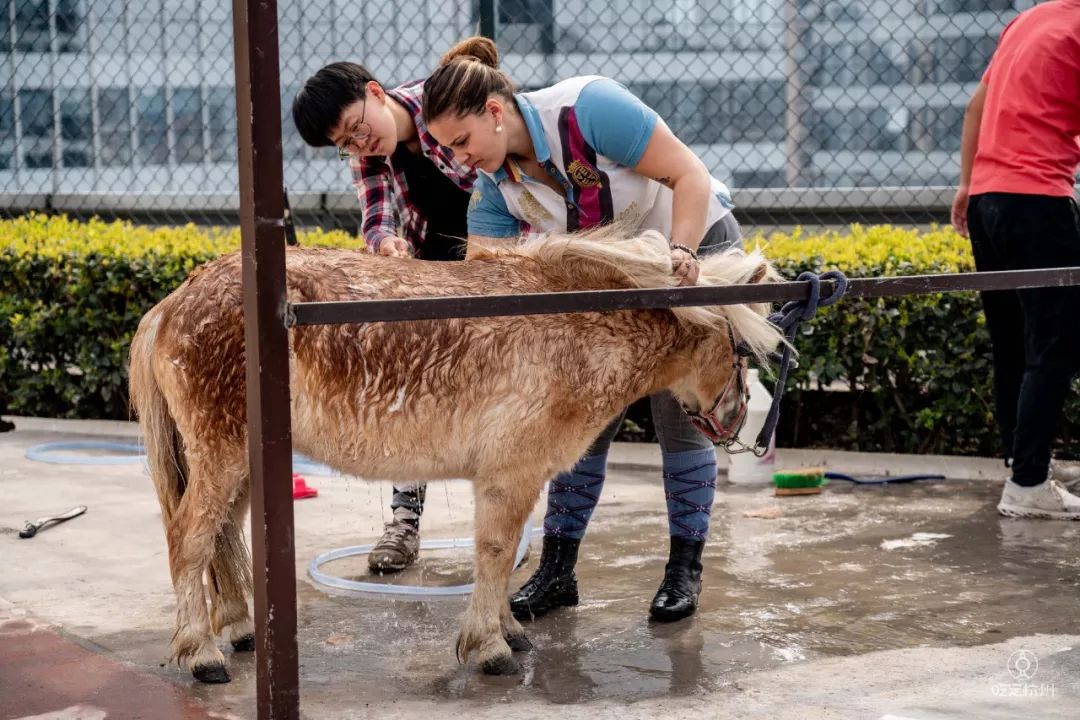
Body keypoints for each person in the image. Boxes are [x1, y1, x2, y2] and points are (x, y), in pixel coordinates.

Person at [422, 37, 744, 622]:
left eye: (462, 142)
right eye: (448, 150)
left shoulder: (588, 108)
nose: (459, 160)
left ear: (495, 111)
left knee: (681, 417)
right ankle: (557, 571)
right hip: (610, 284)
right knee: (578, 417)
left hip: (691, 246)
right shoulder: (494, 191)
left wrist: (683, 255)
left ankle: (683, 569)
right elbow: (486, 279)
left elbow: (689, 175)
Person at [293, 62, 478, 570]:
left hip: (499, 258)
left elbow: (498, 173)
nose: (358, 144)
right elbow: (376, 214)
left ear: (375, 93)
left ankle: (503, 523)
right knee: (412, 380)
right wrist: (385, 242)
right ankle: (404, 520)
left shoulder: (443, 104)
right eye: (344, 143)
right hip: (431, 266)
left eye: (356, 127)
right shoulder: (369, 153)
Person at [951, 0, 1080, 519]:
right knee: (1056, 346)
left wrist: (966, 184)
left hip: (987, 202)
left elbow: (975, 108)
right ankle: (1028, 483)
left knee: (1012, 345)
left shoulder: (1030, 20)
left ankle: (1019, 469)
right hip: (1037, 202)